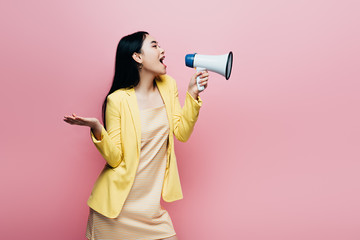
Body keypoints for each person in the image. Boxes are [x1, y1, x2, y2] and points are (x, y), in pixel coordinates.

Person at [63, 31, 209, 240]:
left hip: (151, 212)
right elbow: (115, 159)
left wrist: (193, 95)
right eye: (154, 45)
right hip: (115, 211)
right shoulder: (118, 100)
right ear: (137, 57)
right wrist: (97, 128)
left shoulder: (168, 86)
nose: (162, 50)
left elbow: (182, 132)